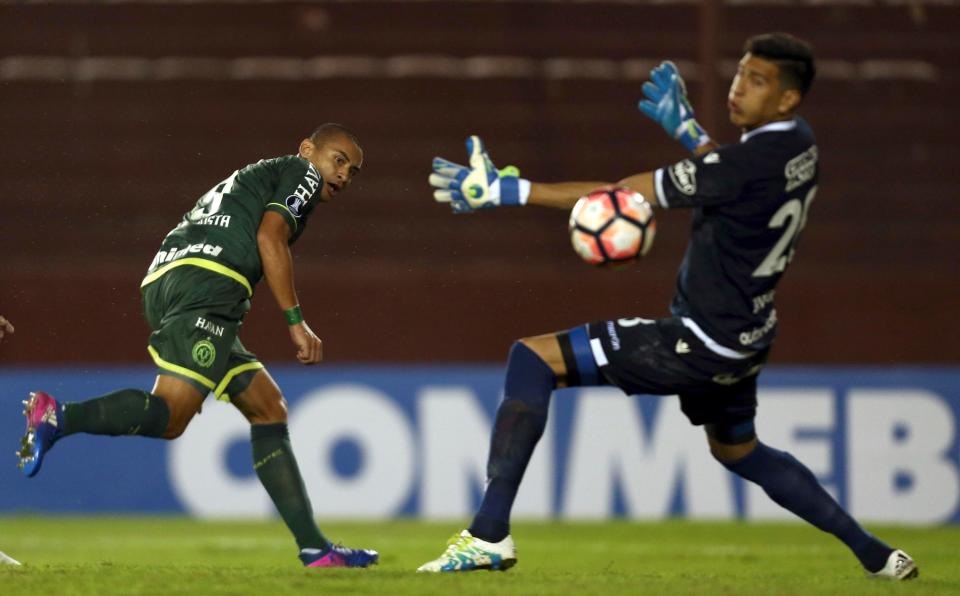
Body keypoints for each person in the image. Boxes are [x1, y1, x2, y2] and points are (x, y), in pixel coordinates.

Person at [418, 33, 917, 580]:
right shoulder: (800, 144)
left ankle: (488, 534)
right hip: (746, 337)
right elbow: (731, 178)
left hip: (698, 342)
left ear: (787, 98)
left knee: (532, 359)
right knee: (740, 452)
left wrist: (508, 192)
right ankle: (877, 555)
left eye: (757, 81)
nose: (738, 88)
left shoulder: (744, 163)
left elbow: (620, 198)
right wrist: (693, 135)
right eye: (739, 74)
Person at [16, 123, 379, 569]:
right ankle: (58, 416)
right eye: (338, 160)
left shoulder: (257, 176)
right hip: (209, 285)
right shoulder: (301, 173)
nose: (343, 175)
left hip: (171, 278)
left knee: (268, 407)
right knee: (170, 416)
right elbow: (270, 238)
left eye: (353, 171)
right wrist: (296, 322)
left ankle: (315, 549)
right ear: (308, 149)